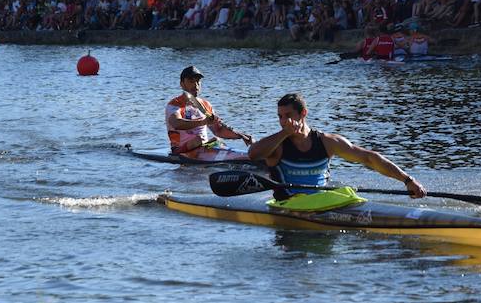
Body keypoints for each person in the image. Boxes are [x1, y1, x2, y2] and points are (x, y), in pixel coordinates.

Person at [247, 93, 427, 201]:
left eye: (288, 115)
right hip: (288, 205)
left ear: (303, 114)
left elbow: (369, 158)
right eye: (280, 116)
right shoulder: (277, 145)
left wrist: (408, 180)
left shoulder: (327, 142)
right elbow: (253, 154)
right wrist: (284, 133)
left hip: (324, 201)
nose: (283, 121)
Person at [166, 66, 252, 159]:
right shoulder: (175, 104)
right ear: (182, 84)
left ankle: (250, 157)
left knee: (217, 140)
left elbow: (218, 130)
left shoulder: (205, 105)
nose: (196, 85)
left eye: (198, 81)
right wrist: (203, 122)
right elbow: (176, 123)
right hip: (183, 150)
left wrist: (241, 136)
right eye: (191, 81)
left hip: (203, 147)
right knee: (197, 140)